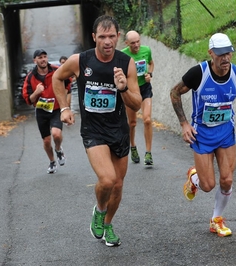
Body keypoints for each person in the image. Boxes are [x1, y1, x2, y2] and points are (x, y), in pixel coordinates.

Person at [52, 15, 141, 247]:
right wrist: (63, 108)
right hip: (93, 131)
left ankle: (108, 224)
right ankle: (99, 211)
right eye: (102, 37)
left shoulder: (126, 63)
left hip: (118, 130)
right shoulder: (80, 61)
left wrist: (122, 89)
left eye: (112, 36)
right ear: (94, 38)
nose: (107, 41)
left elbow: (137, 103)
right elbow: (57, 77)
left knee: (118, 185)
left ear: (118, 37)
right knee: (107, 179)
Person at [170, 33, 236, 237]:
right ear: (211, 53)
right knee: (208, 186)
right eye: (220, 54)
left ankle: (217, 219)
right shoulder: (198, 73)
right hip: (202, 134)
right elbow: (175, 93)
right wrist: (184, 123)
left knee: (227, 180)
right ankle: (195, 177)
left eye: (229, 53)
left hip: (225, 133)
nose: (225, 58)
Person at [22, 49, 66, 174]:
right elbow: (28, 100)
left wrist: (65, 103)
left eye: (45, 57)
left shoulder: (57, 70)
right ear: (35, 60)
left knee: (56, 134)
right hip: (41, 110)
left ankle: (58, 149)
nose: (43, 60)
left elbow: (68, 83)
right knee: (46, 140)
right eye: (40, 57)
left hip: (56, 108)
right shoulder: (30, 77)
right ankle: (52, 162)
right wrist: (37, 92)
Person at [121, 30, 155, 165]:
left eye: (138, 41)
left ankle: (148, 153)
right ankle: (133, 146)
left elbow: (151, 63)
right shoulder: (123, 55)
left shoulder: (146, 50)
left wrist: (149, 74)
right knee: (132, 123)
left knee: (147, 119)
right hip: (131, 91)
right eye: (133, 43)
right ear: (127, 43)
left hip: (145, 88)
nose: (136, 45)